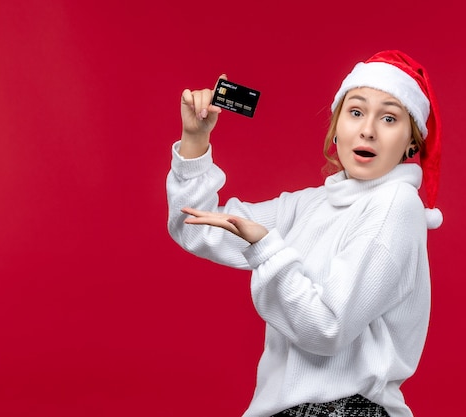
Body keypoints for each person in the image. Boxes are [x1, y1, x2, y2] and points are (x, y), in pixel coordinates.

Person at [166, 50, 443, 417]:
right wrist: (194, 139)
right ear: (337, 126)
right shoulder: (312, 205)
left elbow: (326, 328)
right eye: (356, 112)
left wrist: (265, 248)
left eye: (389, 118)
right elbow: (195, 226)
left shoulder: (396, 204)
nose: (367, 130)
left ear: (412, 142)